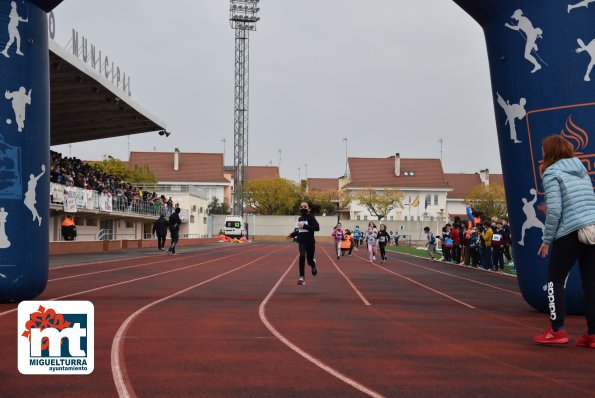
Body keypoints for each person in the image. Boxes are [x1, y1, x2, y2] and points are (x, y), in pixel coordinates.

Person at [534, 135, 595, 347]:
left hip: (570, 231)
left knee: (555, 279)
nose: (541, 155)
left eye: (543, 151)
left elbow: (557, 210)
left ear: (550, 152)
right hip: (593, 228)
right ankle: (593, 334)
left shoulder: (551, 173)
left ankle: (556, 330)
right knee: (591, 283)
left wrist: (546, 240)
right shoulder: (580, 169)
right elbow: (581, 202)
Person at [288, 200, 320, 285]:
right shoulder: (300, 218)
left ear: (309, 209)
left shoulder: (311, 217)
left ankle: (313, 265)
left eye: (305, 207)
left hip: (310, 242)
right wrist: (292, 234)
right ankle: (301, 277)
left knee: (309, 260)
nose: (303, 208)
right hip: (301, 241)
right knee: (302, 256)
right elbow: (299, 230)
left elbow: (317, 228)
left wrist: (305, 225)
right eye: (301, 207)